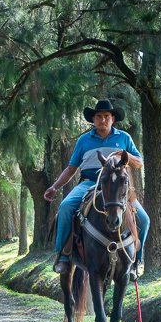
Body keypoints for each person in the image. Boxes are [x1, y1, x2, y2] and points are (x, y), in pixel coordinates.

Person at [44, 98, 150, 277]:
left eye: (106, 116)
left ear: (112, 119)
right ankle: (63, 255)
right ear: (93, 119)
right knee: (65, 207)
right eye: (99, 116)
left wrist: (124, 155)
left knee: (144, 219)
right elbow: (71, 168)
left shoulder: (124, 138)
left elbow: (139, 162)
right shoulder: (84, 140)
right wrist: (54, 187)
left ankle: (136, 262)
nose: (103, 119)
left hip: (115, 188)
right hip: (88, 183)